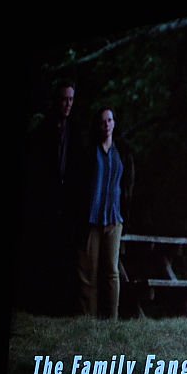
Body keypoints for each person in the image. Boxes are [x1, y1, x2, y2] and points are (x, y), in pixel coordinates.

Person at [24, 78, 82, 314]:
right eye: (64, 99)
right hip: (45, 204)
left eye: (71, 99)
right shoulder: (43, 130)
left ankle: (60, 306)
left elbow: (77, 170)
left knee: (64, 257)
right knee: (44, 254)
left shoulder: (75, 131)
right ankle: (41, 304)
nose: (67, 104)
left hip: (66, 206)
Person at [77, 106, 134, 319]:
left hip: (114, 218)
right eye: (103, 121)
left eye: (110, 120)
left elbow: (128, 184)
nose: (107, 125)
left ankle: (112, 319)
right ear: (98, 125)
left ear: (114, 123)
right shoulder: (89, 151)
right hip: (91, 218)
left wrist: (127, 213)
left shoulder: (123, 151)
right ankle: (88, 318)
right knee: (87, 272)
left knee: (112, 271)